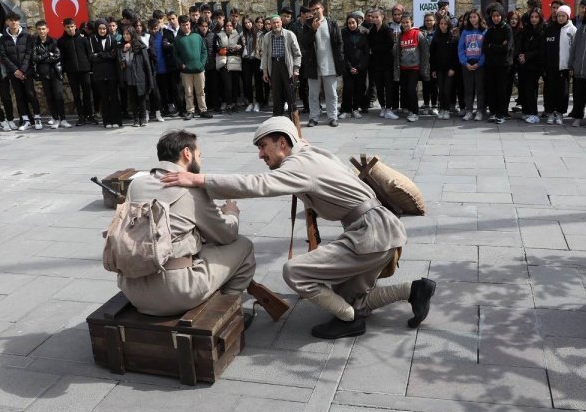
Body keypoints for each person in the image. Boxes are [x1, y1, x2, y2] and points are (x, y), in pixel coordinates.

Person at [161, 116, 437, 339]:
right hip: (380, 231)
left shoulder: (299, 165)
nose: (260, 154)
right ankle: (414, 290)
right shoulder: (312, 153)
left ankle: (349, 320)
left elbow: (258, 184)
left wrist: (200, 181)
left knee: (294, 272)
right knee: (352, 298)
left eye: (263, 146)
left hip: (370, 235)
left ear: (282, 143)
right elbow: (306, 157)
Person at [118, 129, 256, 317]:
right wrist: (231, 213)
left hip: (133, 288)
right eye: (199, 155)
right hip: (177, 291)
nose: (200, 160)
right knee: (244, 245)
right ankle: (228, 311)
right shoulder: (193, 190)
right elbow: (225, 235)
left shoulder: (136, 185)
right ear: (187, 153)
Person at [300, 0, 344, 127]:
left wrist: (340, 60)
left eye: (317, 9)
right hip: (313, 65)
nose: (315, 12)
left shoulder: (332, 23)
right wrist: (313, 29)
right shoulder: (308, 24)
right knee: (313, 94)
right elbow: (304, 43)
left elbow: (339, 43)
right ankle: (313, 118)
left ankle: (332, 117)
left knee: (331, 93)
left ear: (322, 8)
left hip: (330, 64)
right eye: (312, 10)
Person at [0, 11, 43, 130]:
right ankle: (26, 120)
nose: (13, 22)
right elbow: (4, 56)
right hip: (13, 74)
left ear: (19, 22)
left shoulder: (27, 36)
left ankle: (37, 119)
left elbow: (29, 53)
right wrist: (15, 71)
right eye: (11, 20)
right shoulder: (3, 39)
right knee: (19, 96)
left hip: (27, 72)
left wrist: (22, 70)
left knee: (31, 94)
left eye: (16, 20)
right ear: (7, 22)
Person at [260, 14, 302, 118]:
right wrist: (265, 71)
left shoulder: (289, 34)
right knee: (276, 94)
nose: (276, 24)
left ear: (281, 22)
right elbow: (264, 55)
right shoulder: (267, 37)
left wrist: (296, 68)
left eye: (278, 22)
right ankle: (278, 118)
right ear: (271, 25)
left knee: (290, 93)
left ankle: (293, 119)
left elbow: (297, 54)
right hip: (274, 66)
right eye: (273, 23)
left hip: (287, 65)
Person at [57, 17, 96, 126]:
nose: (70, 29)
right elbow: (62, 58)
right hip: (71, 72)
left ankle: (90, 116)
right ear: (64, 28)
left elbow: (89, 55)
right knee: (76, 95)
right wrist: (64, 70)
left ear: (75, 26)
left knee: (87, 94)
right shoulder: (61, 41)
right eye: (68, 27)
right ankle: (81, 117)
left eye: (72, 26)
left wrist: (91, 68)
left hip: (85, 70)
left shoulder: (83, 39)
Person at [32, 20, 69, 129]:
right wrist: (48, 54)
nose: (41, 31)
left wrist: (43, 57)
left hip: (55, 72)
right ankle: (55, 118)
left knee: (58, 96)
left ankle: (63, 119)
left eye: (43, 29)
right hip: (44, 74)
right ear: (36, 30)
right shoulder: (35, 43)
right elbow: (35, 58)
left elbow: (57, 56)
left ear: (47, 29)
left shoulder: (54, 41)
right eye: (39, 29)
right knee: (49, 97)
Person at [393, 13, 430, 123]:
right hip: (403, 68)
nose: (405, 24)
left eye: (407, 22)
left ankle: (415, 112)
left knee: (411, 90)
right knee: (404, 90)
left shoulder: (418, 34)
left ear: (411, 23)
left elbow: (425, 52)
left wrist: (424, 68)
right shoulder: (400, 36)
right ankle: (409, 109)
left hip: (415, 68)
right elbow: (398, 53)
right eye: (403, 23)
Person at [543, 5, 577, 125]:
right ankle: (550, 112)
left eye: (563, 16)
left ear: (568, 16)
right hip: (551, 67)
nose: (561, 18)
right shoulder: (549, 29)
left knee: (562, 92)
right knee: (550, 91)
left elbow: (575, 50)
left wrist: (572, 66)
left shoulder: (572, 30)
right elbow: (544, 49)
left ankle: (560, 113)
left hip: (564, 68)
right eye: (559, 15)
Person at [174, 15, 212, 121]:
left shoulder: (197, 36)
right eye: (183, 25)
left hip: (199, 69)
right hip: (186, 71)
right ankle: (190, 111)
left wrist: (202, 63)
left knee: (201, 91)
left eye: (187, 24)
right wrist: (181, 64)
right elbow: (175, 55)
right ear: (180, 26)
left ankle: (203, 110)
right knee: (188, 92)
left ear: (190, 24)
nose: (186, 27)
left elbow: (204, 51)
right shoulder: (178, 39)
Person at [483, 4, 513, 124]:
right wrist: (497, 46)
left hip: (503, 65)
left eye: (498, 15)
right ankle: (493, 111)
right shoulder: (490, 30)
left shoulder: (507, 29)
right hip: (491, 65)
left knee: (502, 90)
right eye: (493, 16)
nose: (496, 18)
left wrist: (492, 46)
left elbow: (506, 48)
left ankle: (502, 113)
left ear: (502, 16)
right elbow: (485, 47)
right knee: (491, 89)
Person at [89, 19, 122, 128]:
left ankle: (116, 120)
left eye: (104, 28)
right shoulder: (92, 39)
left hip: (111, 73)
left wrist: (100, 55)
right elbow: (91, 57)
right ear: (96, 29)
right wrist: (106, 55)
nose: (102, 31)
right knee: (104, 97)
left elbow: (114, 55)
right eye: (100, 28)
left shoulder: (111, 38)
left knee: (113, 97)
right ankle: (107, 121)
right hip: (99, 74)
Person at [119, 26, 153, 127]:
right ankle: (136, 119)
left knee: (141, 99)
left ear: (132, 35)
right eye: (124, 34)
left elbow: (147, 64)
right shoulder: (122, 47)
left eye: (127, 34)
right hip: (129, 77)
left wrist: (149, 79)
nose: (125, 36)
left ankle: (143, 118)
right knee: (133, 100)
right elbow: (121, 63)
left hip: (140, 77)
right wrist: (124, 51)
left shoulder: (140, 47)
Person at [516, 7, 545, 124]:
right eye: (532, 17)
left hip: (535, 65)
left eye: (536, 17)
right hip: (524, 65)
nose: (533, 19)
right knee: (523, 89)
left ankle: (534, 114)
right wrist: (521, 56)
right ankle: (527, 111)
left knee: (531, 89)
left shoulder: (543, 30)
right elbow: (520, 45)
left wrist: (527, 56)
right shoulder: (526, 30)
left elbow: (541, 50)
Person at [368, 8, 397, 120]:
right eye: (373, 17)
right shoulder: (372, 31)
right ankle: (383, 108)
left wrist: (374, 50)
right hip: (376, 64)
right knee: (379, 86)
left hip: (386, 63)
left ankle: (389, 109)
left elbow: (389, 45)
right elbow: (369, 45)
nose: (374, 19)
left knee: (388, 87)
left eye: (376, 17)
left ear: (382, 17)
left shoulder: (387, 30)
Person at [459, 8, 487, 122]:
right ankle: (469, 110)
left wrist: (480, 63)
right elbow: (461, 48)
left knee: (480, 88)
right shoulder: (465, 31)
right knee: (468, 89)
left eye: (474, 17)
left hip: (479, 64)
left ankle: (480, 111)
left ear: (479, 18)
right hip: (467, 64)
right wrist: (465, 62)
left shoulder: (484, 31)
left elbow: (485, 49)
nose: (472, 19)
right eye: (470, 17)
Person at [429, 15, 459, 121]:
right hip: (439, 69)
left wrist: (453, 68)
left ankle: (447, 110)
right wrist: (433, 69)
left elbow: (456, 56)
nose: (443, 26)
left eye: (445, 24)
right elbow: (432, 55)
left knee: (447, 90)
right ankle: (441, 108)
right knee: (440, 90)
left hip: (449, 69)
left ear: (448, 25)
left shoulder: (453, 38)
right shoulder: (436, 38)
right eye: (441, 24)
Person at [341, 13, 369, 120]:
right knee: (348, 88)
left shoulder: (363, 34)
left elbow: (366, 53)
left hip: (360, 67)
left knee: (359, 88)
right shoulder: (344, 34)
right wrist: (349, 67)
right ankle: (346, 110)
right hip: (348, 67)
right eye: (349, 23)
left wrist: (359, 67)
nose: (351, 25)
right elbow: (343, 52)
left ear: (357, 23)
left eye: (353, 23)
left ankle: (355, 109)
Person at [215, 20, 242, 114]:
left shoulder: (238, 36)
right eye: (227, 25)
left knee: (235, 86)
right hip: (224, 64)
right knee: (228, 86)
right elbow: (219, 50)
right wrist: (233, 49)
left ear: (233, 27)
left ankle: (234, 104)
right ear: (224, 27)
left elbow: (239, 51)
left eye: (231, 25)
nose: (229, 27)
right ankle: (228, 104)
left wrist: (227, 50)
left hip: (235, 63)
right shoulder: (219, 36)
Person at [240, 17, 263, 113]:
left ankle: (258, 102)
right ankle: (250, 102)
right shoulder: (242, 35)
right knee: (247, 82)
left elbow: (261, 47)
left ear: (252, 23)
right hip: (246, 60)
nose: (247, 24)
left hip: (256, 59)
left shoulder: (259, 34)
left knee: (258, 82)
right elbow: (241, 47)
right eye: (245, 23)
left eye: (249, 22)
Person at [419, 12, 438, 115]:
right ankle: (426, 105)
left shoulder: (438, 31)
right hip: (424, 62)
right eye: (426, 20)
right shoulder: (420, 31)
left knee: (434, 86)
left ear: (434, 21)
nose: (428, 22)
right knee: (425, 85)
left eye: (430, 20)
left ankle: (434, 106)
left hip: (435, 62)